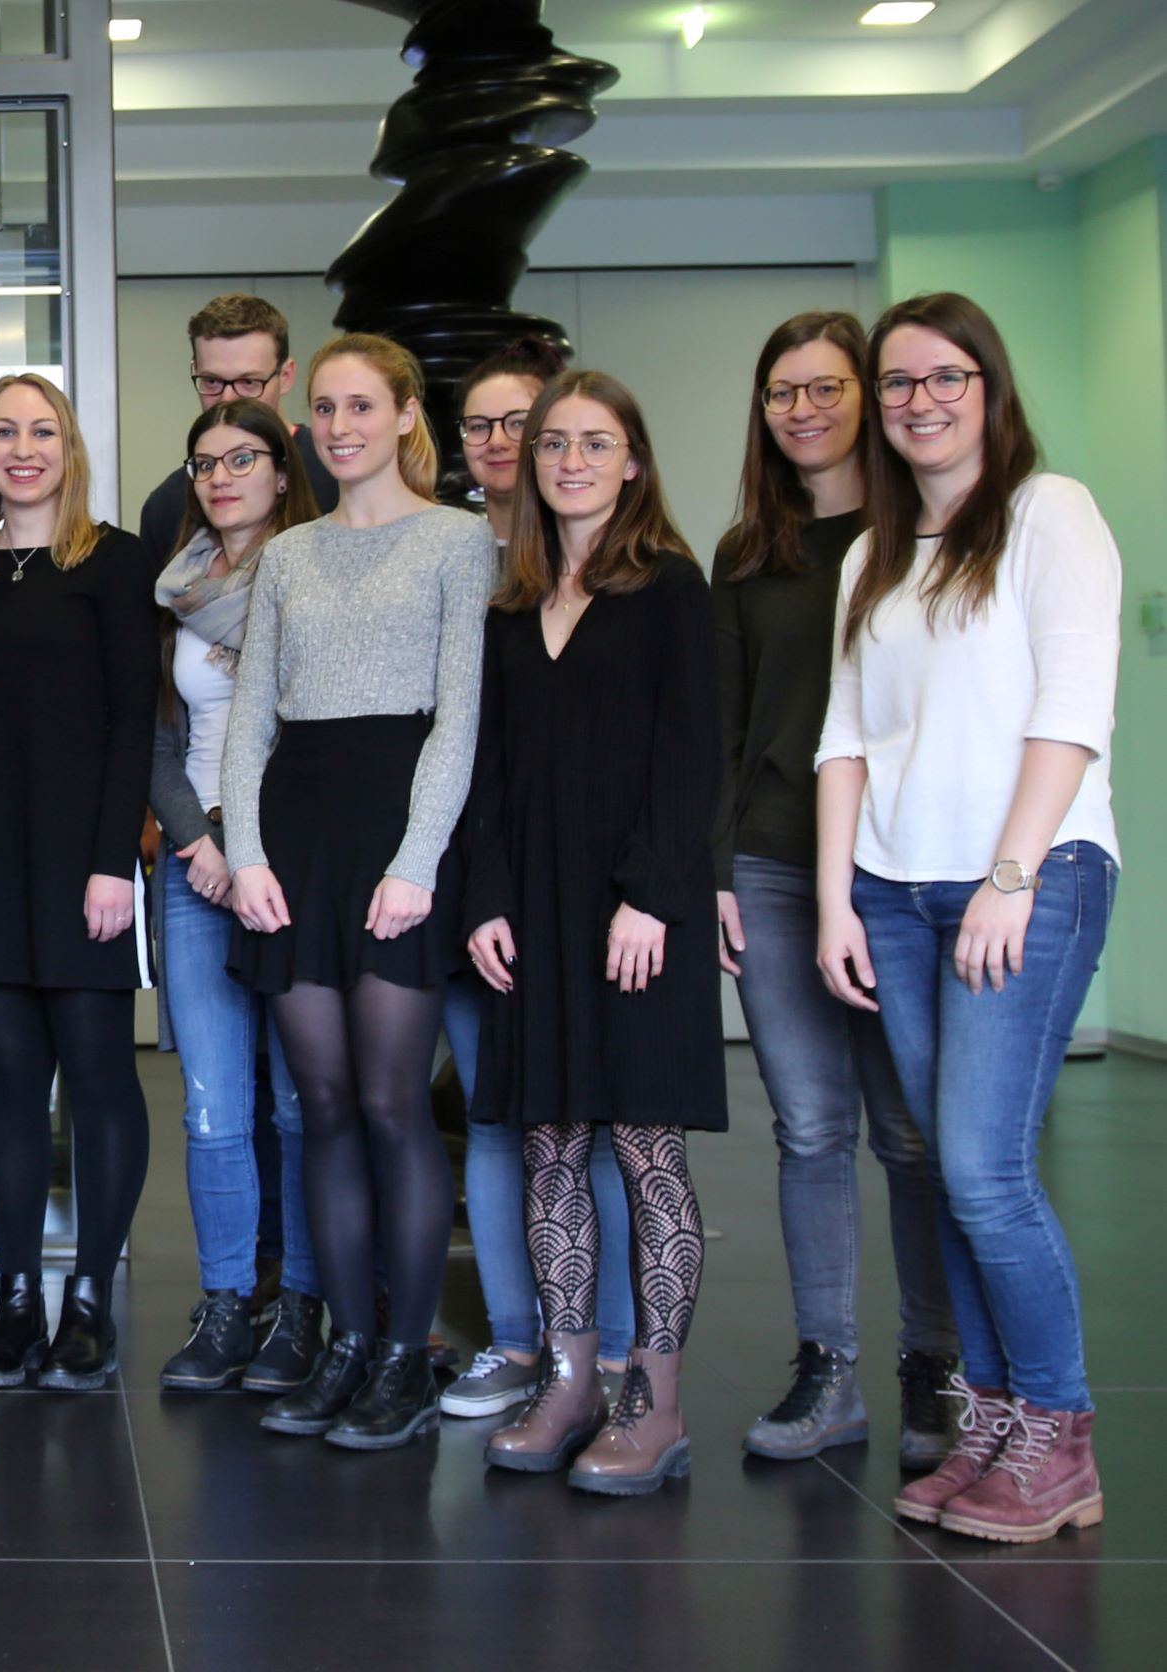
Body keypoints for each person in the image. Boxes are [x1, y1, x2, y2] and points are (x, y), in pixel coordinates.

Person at [818, 293, 1120, 1545]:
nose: (920, 401)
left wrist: (1011, 874)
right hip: (891, 889)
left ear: (990, 388)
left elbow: (1073, 707)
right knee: (943, 1169)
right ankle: (988, 1416)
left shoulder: (1052, 513)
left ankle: (1057, 1431)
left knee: (990, 1170)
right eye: (897, 383)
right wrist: (835, 894)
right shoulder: (873, 554)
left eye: (946, 378)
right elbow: (846, 740)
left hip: (1027, 880)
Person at [220, 338, 488, 1448]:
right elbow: (248, 723)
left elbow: (460, 715)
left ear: (406, 416)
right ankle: (340, 1344)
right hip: (297, 833)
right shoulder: (287, 555)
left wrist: (419, 860)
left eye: (361, 406)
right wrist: (245, 853)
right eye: (323, 408)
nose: (338, 427)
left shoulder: (459, 541)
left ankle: (401, 1353)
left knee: (389, 1104)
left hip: (397, 834)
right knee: (319, 1107)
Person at [465, 369, 725, 1497]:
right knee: (549, 1145)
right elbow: (486, 769)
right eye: (553, 441)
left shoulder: (671, 587)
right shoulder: (513, 602)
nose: (570, 459)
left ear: (634, 460)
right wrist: (482, 896)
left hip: (636, 917)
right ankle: (569, 1381)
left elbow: (691, 754)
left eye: (596, 441)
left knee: (646, 1153)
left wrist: (654, 894)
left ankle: (655, 1404)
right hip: (532, 909)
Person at [718, 313, 960, 1469]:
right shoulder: (747, 551)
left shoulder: (930, 532)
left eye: (824, 388)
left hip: (898, 863)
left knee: (912, 1135)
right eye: (780, 392)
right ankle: (828, 1371)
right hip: (770, 860)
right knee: (810, 1126)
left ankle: (935, 1368)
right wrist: (713, 870)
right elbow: (723, 726)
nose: (801, 410)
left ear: (869, 395)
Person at [0, 374, 158, 1394]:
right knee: (10, 1084)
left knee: (100, 1078)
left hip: (84, 867)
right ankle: (18, 1297)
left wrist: (116, 861)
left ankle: (90, 1299)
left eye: (41, 431)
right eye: (3, 433)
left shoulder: (114, 563)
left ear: (69, 448)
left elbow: (132, 721)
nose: (22, 449)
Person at [440, 341, 640, 1422]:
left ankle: (602, 1356)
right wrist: (479, 890)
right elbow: (468, 748)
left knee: (593, 1123)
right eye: (484, 426)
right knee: (496, 1121)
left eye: (526, 423)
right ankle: (520, 1344)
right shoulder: (467, 559)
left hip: (588, 894)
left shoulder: (627, 570)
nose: (506, 443)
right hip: (486, 887)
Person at [147, 398, 321, 1394]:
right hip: (196, 868)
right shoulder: (176, 589)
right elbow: (157, 735)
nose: (221, 478)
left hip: (287, 864)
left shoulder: (316, 574)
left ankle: (299, 1303)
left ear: (280, 470)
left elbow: (321, 733)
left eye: (241, 459)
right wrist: (196, 840)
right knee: (213, 1108)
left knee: (298, 1107)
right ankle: (225, 1304)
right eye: (206, 461)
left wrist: (248, 845)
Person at [137, 293, 338, 558]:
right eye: (212, 382)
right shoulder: (165, 505)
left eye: (249, 382)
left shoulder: (337, 475)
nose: (228, 399)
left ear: (286, 377)